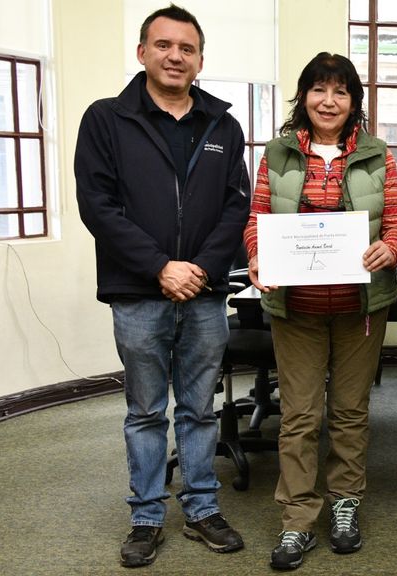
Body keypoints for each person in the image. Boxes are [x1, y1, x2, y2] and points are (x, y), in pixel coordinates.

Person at [74, 4, 249, 568]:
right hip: (138, 294)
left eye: (188, 48)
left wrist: (197, 267)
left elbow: (235, 206)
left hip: (204, 292)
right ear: (143, 51)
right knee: (145, 410)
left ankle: (201, 509)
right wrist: (160, 267)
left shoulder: (224, 125)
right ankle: (147, 515)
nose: (176, 56)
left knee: (200, 409)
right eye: (165, 45)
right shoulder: (106, 119)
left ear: (200, 59)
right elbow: (98, 207)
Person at [243, 52, 397, 570]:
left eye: (340, 91)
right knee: (299, 416)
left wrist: (392, 247)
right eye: (319, 89)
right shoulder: (278, 153)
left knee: (350, 414)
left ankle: (344, 505)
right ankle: (296, 521)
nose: (329, 100)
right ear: (304, 97)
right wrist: (256, 254)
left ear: (354, 100)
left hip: (361, 307)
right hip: (297, 308)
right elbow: (257, 218)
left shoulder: (380, 155)